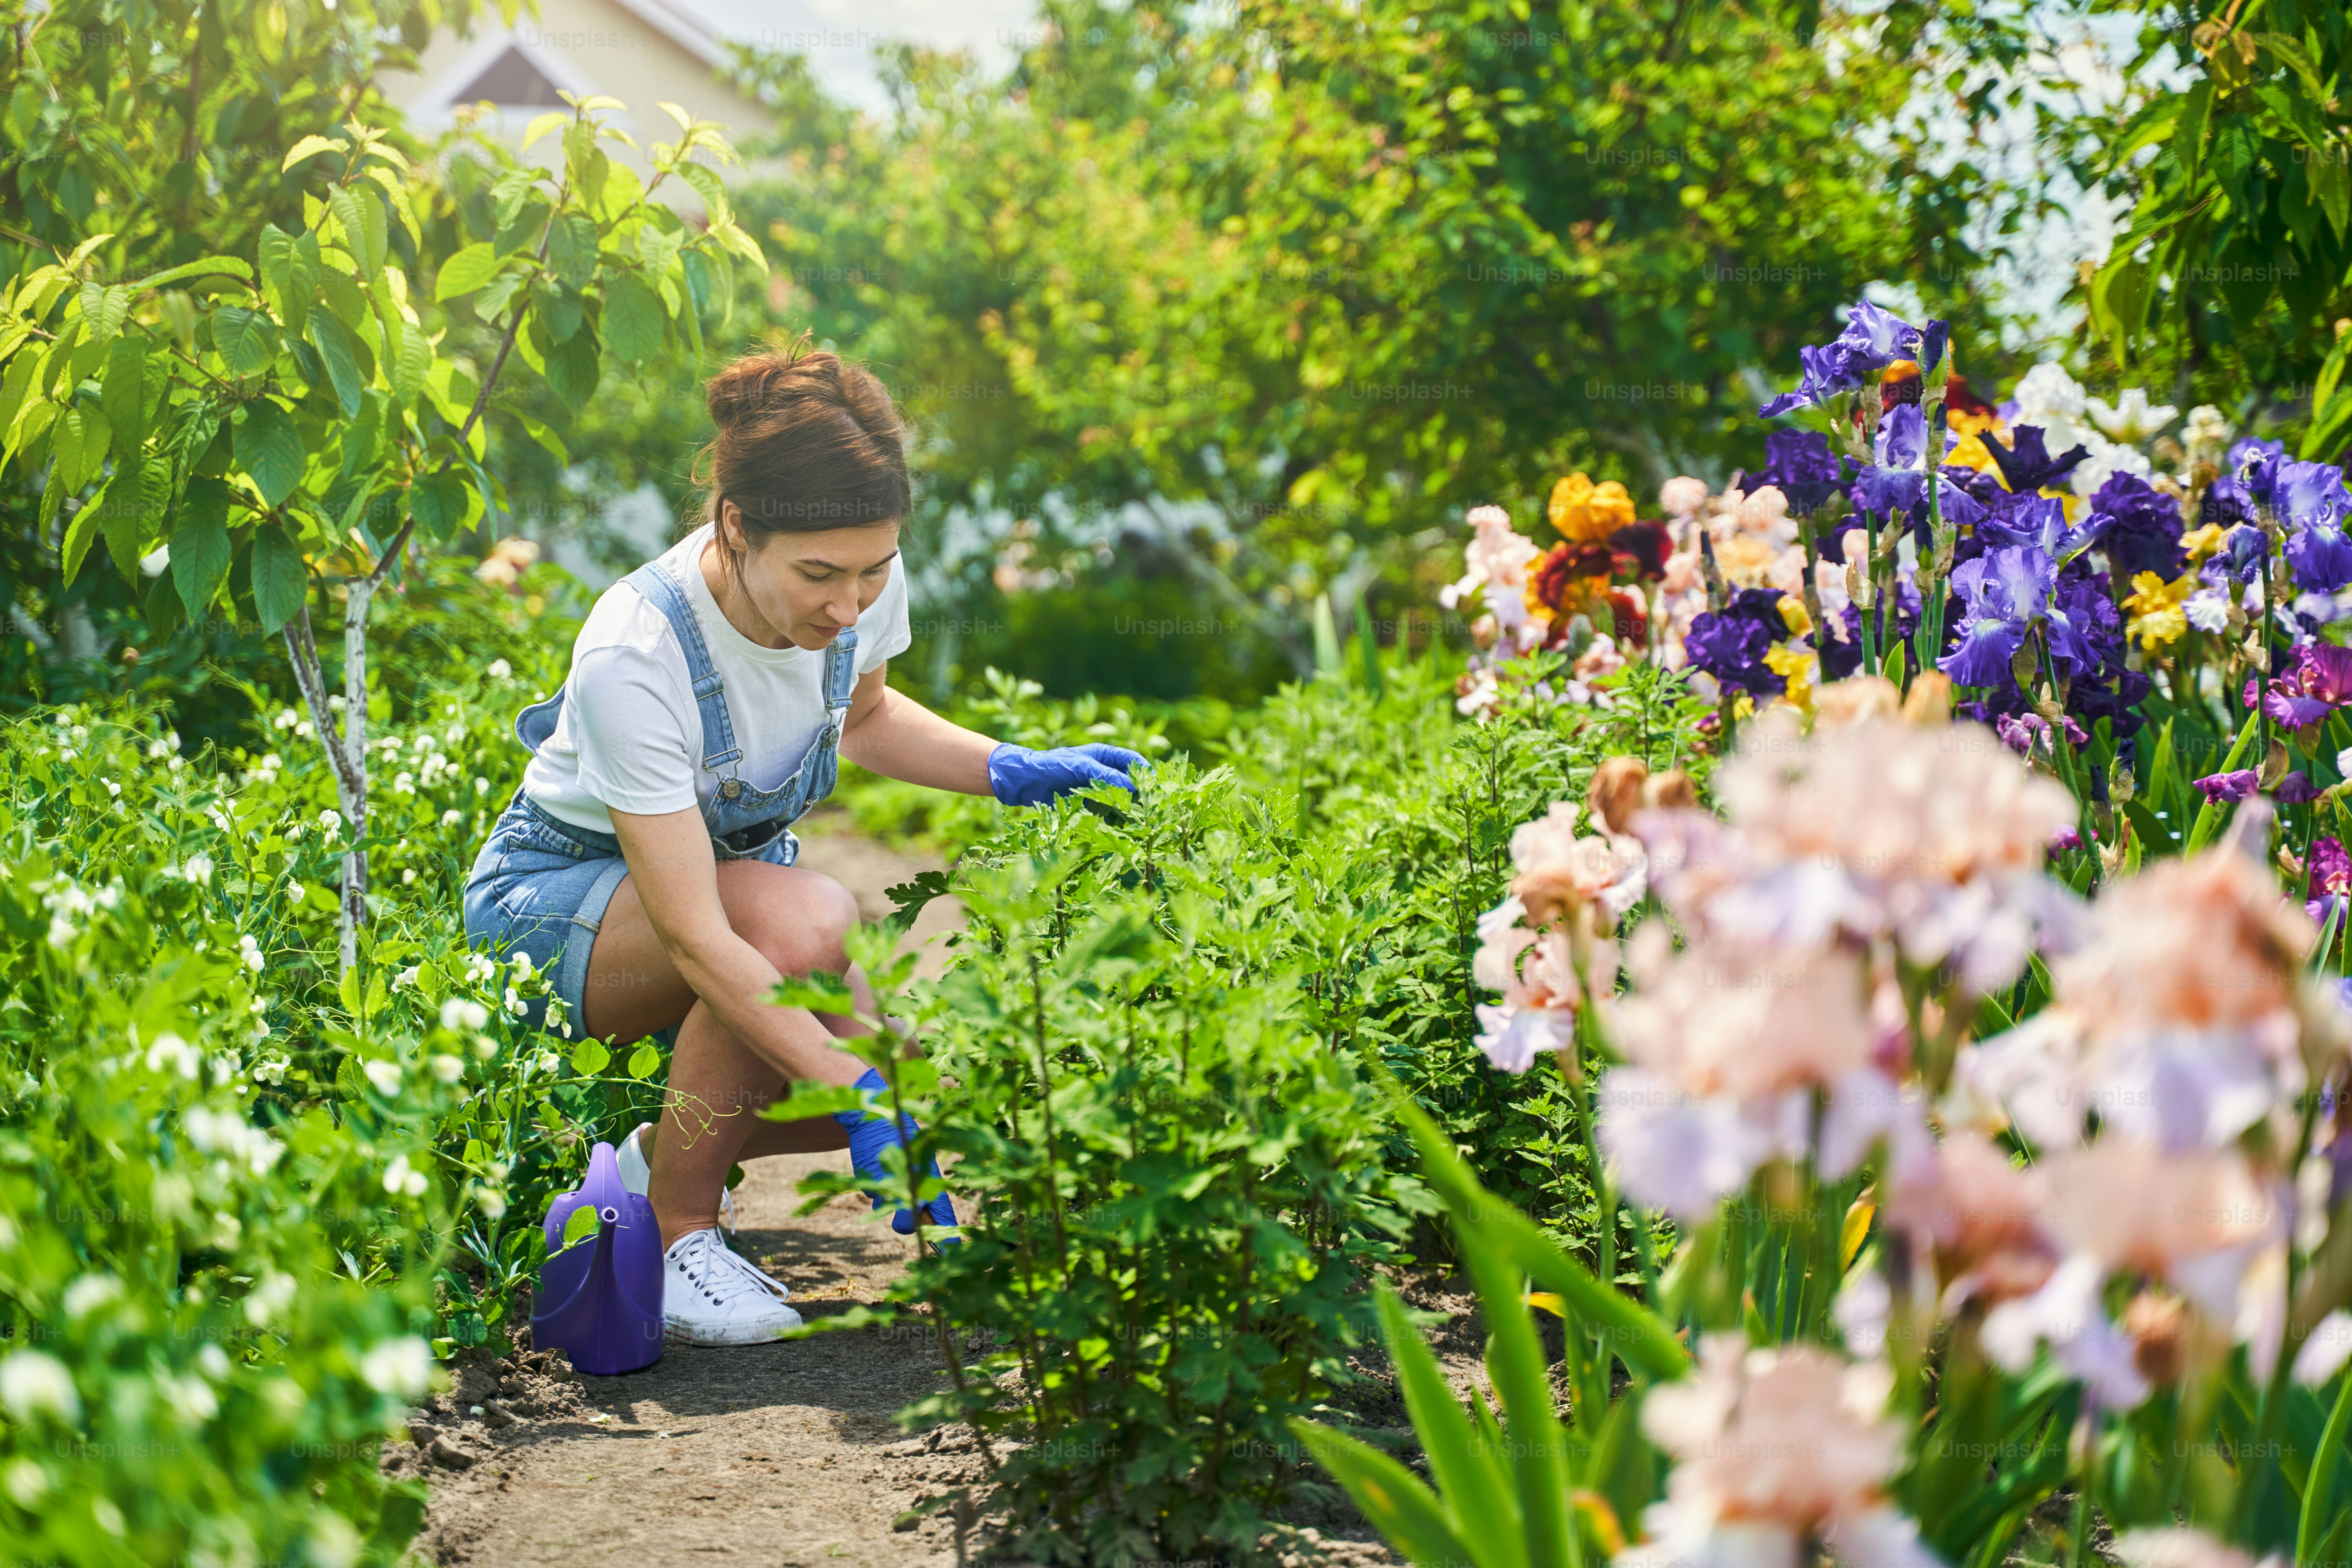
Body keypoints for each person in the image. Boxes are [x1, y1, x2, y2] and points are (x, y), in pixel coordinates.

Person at [463, 344, 1141, 1345]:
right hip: (561, 911)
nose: (847, 606)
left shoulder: (860, 580)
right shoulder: (636, 651)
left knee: (929, 1087)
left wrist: (1007, 766)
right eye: (819, 574)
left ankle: (654, 1154)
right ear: (737, 526)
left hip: (736, 909)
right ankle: (680, 1232)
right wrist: (849, 1082)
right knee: (809, 927)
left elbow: (859, 718)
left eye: (871, 572)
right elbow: (698, 940)